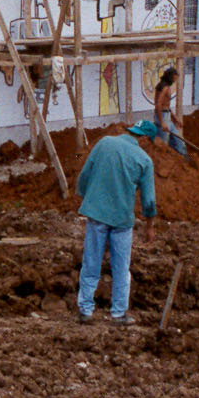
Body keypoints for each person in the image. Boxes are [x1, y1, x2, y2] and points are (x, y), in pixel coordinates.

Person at [74, 119, 158, 324]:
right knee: (121, 267)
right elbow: (148, 200)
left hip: (97, 214)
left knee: (91, 262)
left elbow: (85, 174)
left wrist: (87, 197)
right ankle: (118, 313)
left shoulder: (104, 143)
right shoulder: (144, 160)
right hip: (122, 219)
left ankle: (85, 309)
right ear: (145, 138)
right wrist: (149, 226)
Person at [152, 67, 187, 156]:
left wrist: (174, 117)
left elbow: (166, 105)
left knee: (179, 140)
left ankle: (183, 161)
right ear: (170, 77)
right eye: (174, 78)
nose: (175, 81)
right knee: (163, 145)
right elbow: (158, 104)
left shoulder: (165, 86)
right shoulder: (164, 88)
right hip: (163, 117)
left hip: (166, 117)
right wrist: (162, 122)